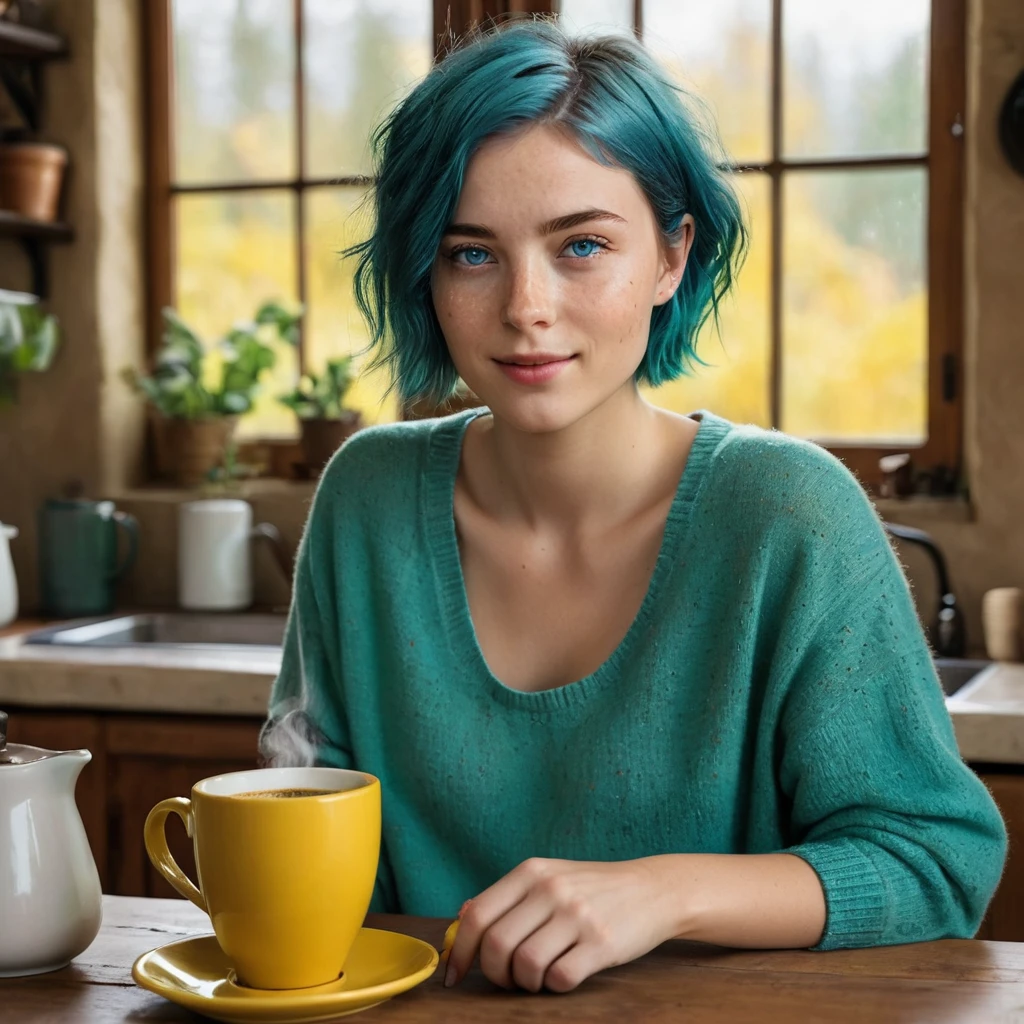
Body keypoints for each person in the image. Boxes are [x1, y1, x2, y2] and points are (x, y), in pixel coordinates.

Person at [264, 18, 1006, 995]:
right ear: (426, 275)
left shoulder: (789, 515)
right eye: (471, 254)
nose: (527, 305)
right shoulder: (364, 499)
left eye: (580, 246)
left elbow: (937, 861)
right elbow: (300, 816)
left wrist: (662, 893)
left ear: (669, 257)